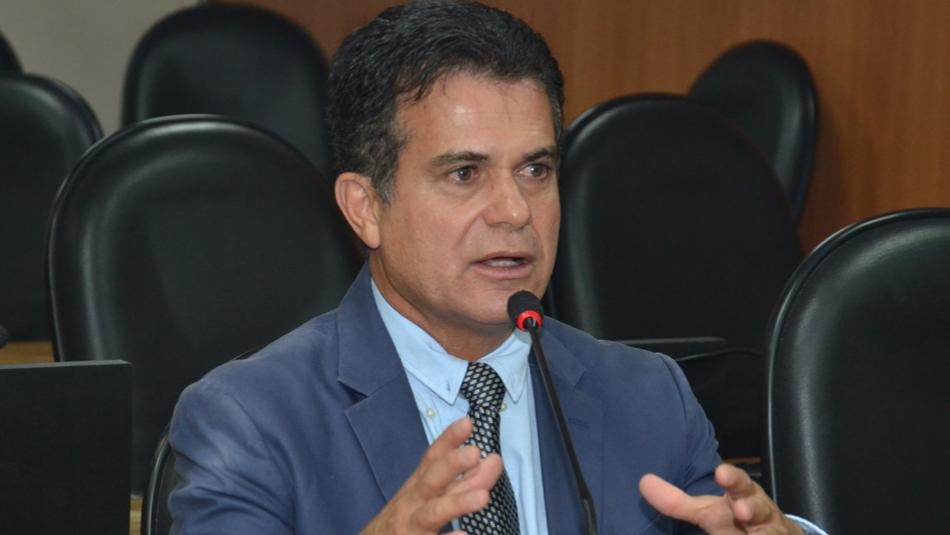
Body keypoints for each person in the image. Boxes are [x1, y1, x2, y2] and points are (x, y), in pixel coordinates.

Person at [168, 2, 825, 534]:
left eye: (536, 169)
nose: (515, 211)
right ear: (365, 208)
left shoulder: (648, 398)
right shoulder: (252, 419)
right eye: (464, 173)